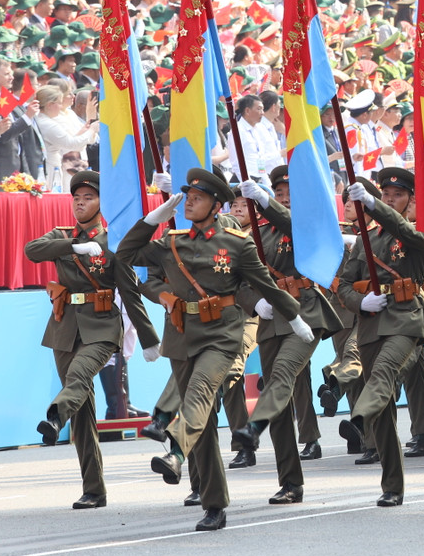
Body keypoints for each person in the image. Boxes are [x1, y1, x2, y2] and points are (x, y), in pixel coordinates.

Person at [117, 168, 302, 532]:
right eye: (187, 197)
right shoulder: (172, 242)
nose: (189, 203)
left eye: (197, 198)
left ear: (217, 206)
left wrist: (294, 317)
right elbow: (124, 253)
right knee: (201, 423)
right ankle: (214, 504)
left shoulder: (236, 243)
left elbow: (266, 285)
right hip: (182, 336)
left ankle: (174, 451)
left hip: (221, 335)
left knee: (199, 396)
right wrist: (152, 219)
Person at [25, 171, 159, 509]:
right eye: (77, 198)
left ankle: (55, 415)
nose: (80, 203)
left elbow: (130, 291)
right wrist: (73, 245)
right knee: (83, 413)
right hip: (65, 328)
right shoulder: (62, 236)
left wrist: (149, 338)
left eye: (89, 198)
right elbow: (32, 250)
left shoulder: (113, 241)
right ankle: (94, 489)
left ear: (102, 203)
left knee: (79, 375)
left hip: (102, 327)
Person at [230, 168, 341, 505]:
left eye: (290, 194)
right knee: (279, 405)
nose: (285, 198)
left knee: (280, 376)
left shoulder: (308, 223)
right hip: (270, 320)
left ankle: (254, 427)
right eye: (279, 194)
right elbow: (238, 279)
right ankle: (290, 482)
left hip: (305, 312)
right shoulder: (256, 233)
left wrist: (265, 202)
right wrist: (255, 301)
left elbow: (296, 227)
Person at [335, 168, 424, 507]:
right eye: (386, 195)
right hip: (371, 324)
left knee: (381, 375)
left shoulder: (418, 233)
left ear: (410, 200)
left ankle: (358, 416)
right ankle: (392, 485)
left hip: (406, 321)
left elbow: (406, 233)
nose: (391, 199)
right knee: (384, 409)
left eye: (398, 195)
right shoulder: (366, 239)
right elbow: (345, 285)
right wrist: (360, 302)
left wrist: (375, 207)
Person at [33, 84, 97, 192]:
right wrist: (92, 130)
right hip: (52, 168)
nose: (61, 106)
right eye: (59, 103)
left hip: (56, 166)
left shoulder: (46, 120)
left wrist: (86, 129)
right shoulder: (47, 124)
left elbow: (72, 140)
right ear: (50, 105)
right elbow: (71, 143)